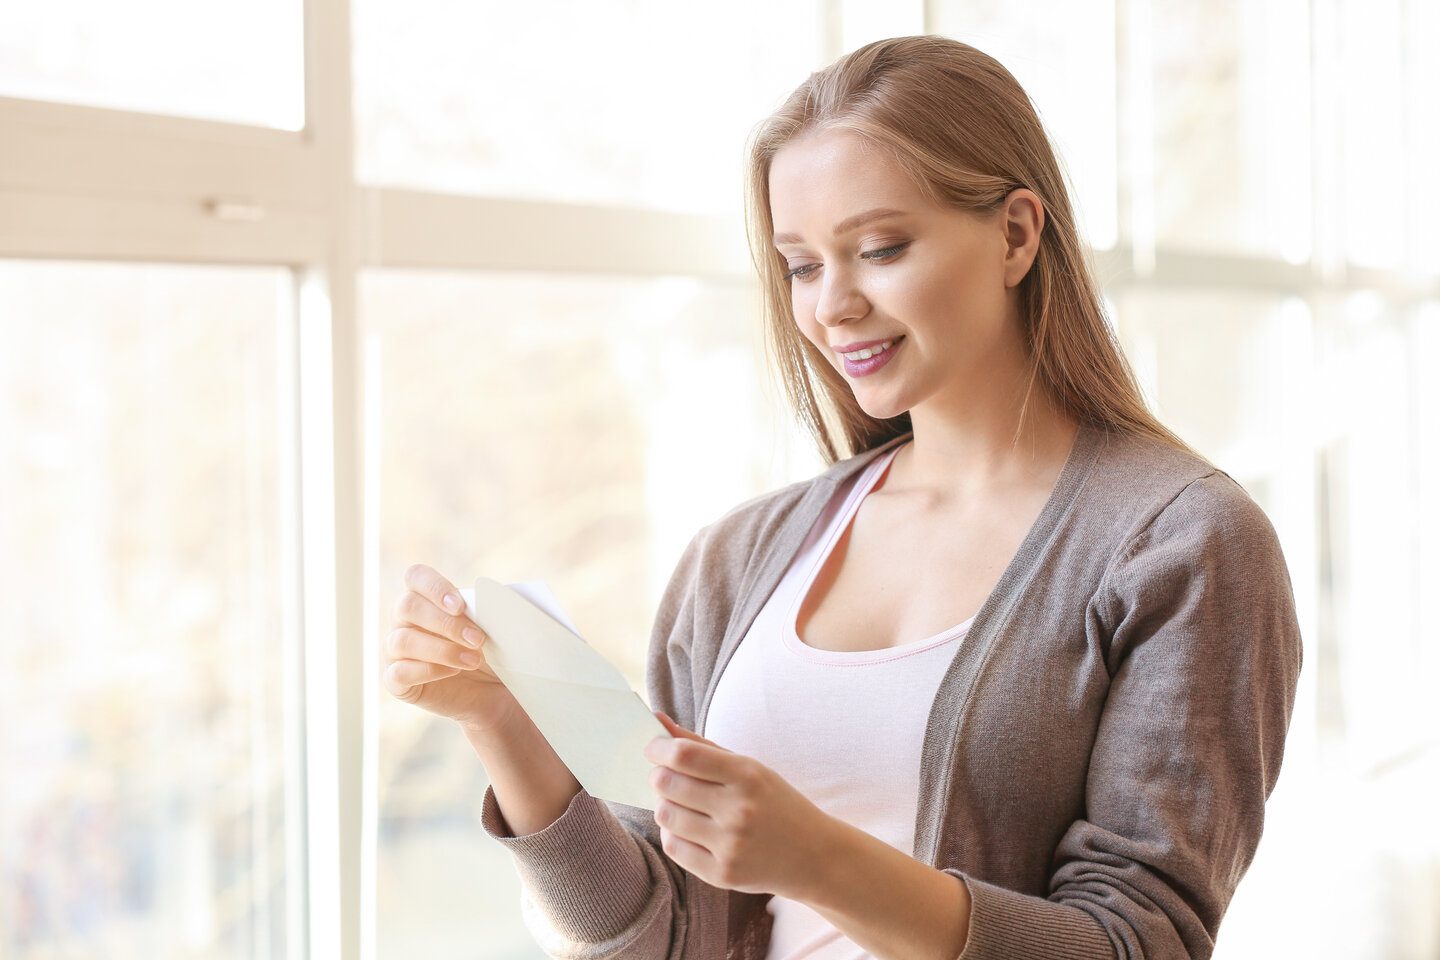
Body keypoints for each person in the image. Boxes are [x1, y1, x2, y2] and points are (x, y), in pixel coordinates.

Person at [383, 35, 1302, 960]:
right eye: (801, 265)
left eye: (878, 248)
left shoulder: (1182, 545)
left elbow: (1139, 943)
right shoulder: (736, 562)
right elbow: (663, 936)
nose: (831, 307)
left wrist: (820, 859)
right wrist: (499, 721)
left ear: (1017, 234)